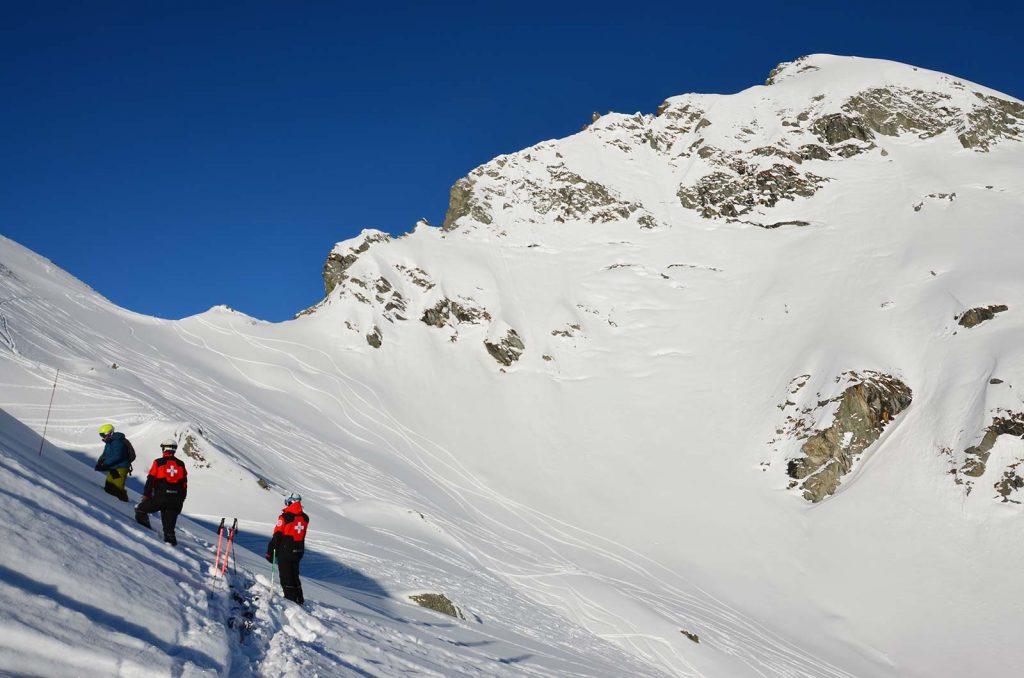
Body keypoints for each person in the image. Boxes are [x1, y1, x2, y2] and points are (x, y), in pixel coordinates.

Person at [135, 439, 188, 545]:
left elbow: (150, 480)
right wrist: (180, 501)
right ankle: (173, 550)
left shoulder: (158, 462)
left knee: (140, 509)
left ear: (164, 449)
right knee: (169, 532)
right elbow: (184, 485)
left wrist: (146, 495)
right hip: (176, 501)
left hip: (160, 498)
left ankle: (145, 531)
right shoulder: (181, 464)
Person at [266, 493, 309, 604]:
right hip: (299, 550)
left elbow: (277, 535)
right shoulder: (305, 517)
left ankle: (291, 600)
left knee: (286, 575)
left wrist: (270, 552)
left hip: (286, 550)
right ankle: (299, 598)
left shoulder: (285, 517)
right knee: (294, 574)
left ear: (291, 502)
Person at [94, 424, 134, 502]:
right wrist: (100, 461)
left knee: (118, 487)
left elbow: (118, 456)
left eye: (103, 435)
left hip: (121, 467)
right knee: (109, 486)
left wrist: (105, 463)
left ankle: (124, 504)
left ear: (109, 433)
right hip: (113, 467)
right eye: (101, 435)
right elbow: (105, 454)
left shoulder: (117, 441)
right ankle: (112, 503)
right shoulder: (109, 442)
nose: (102, 437)